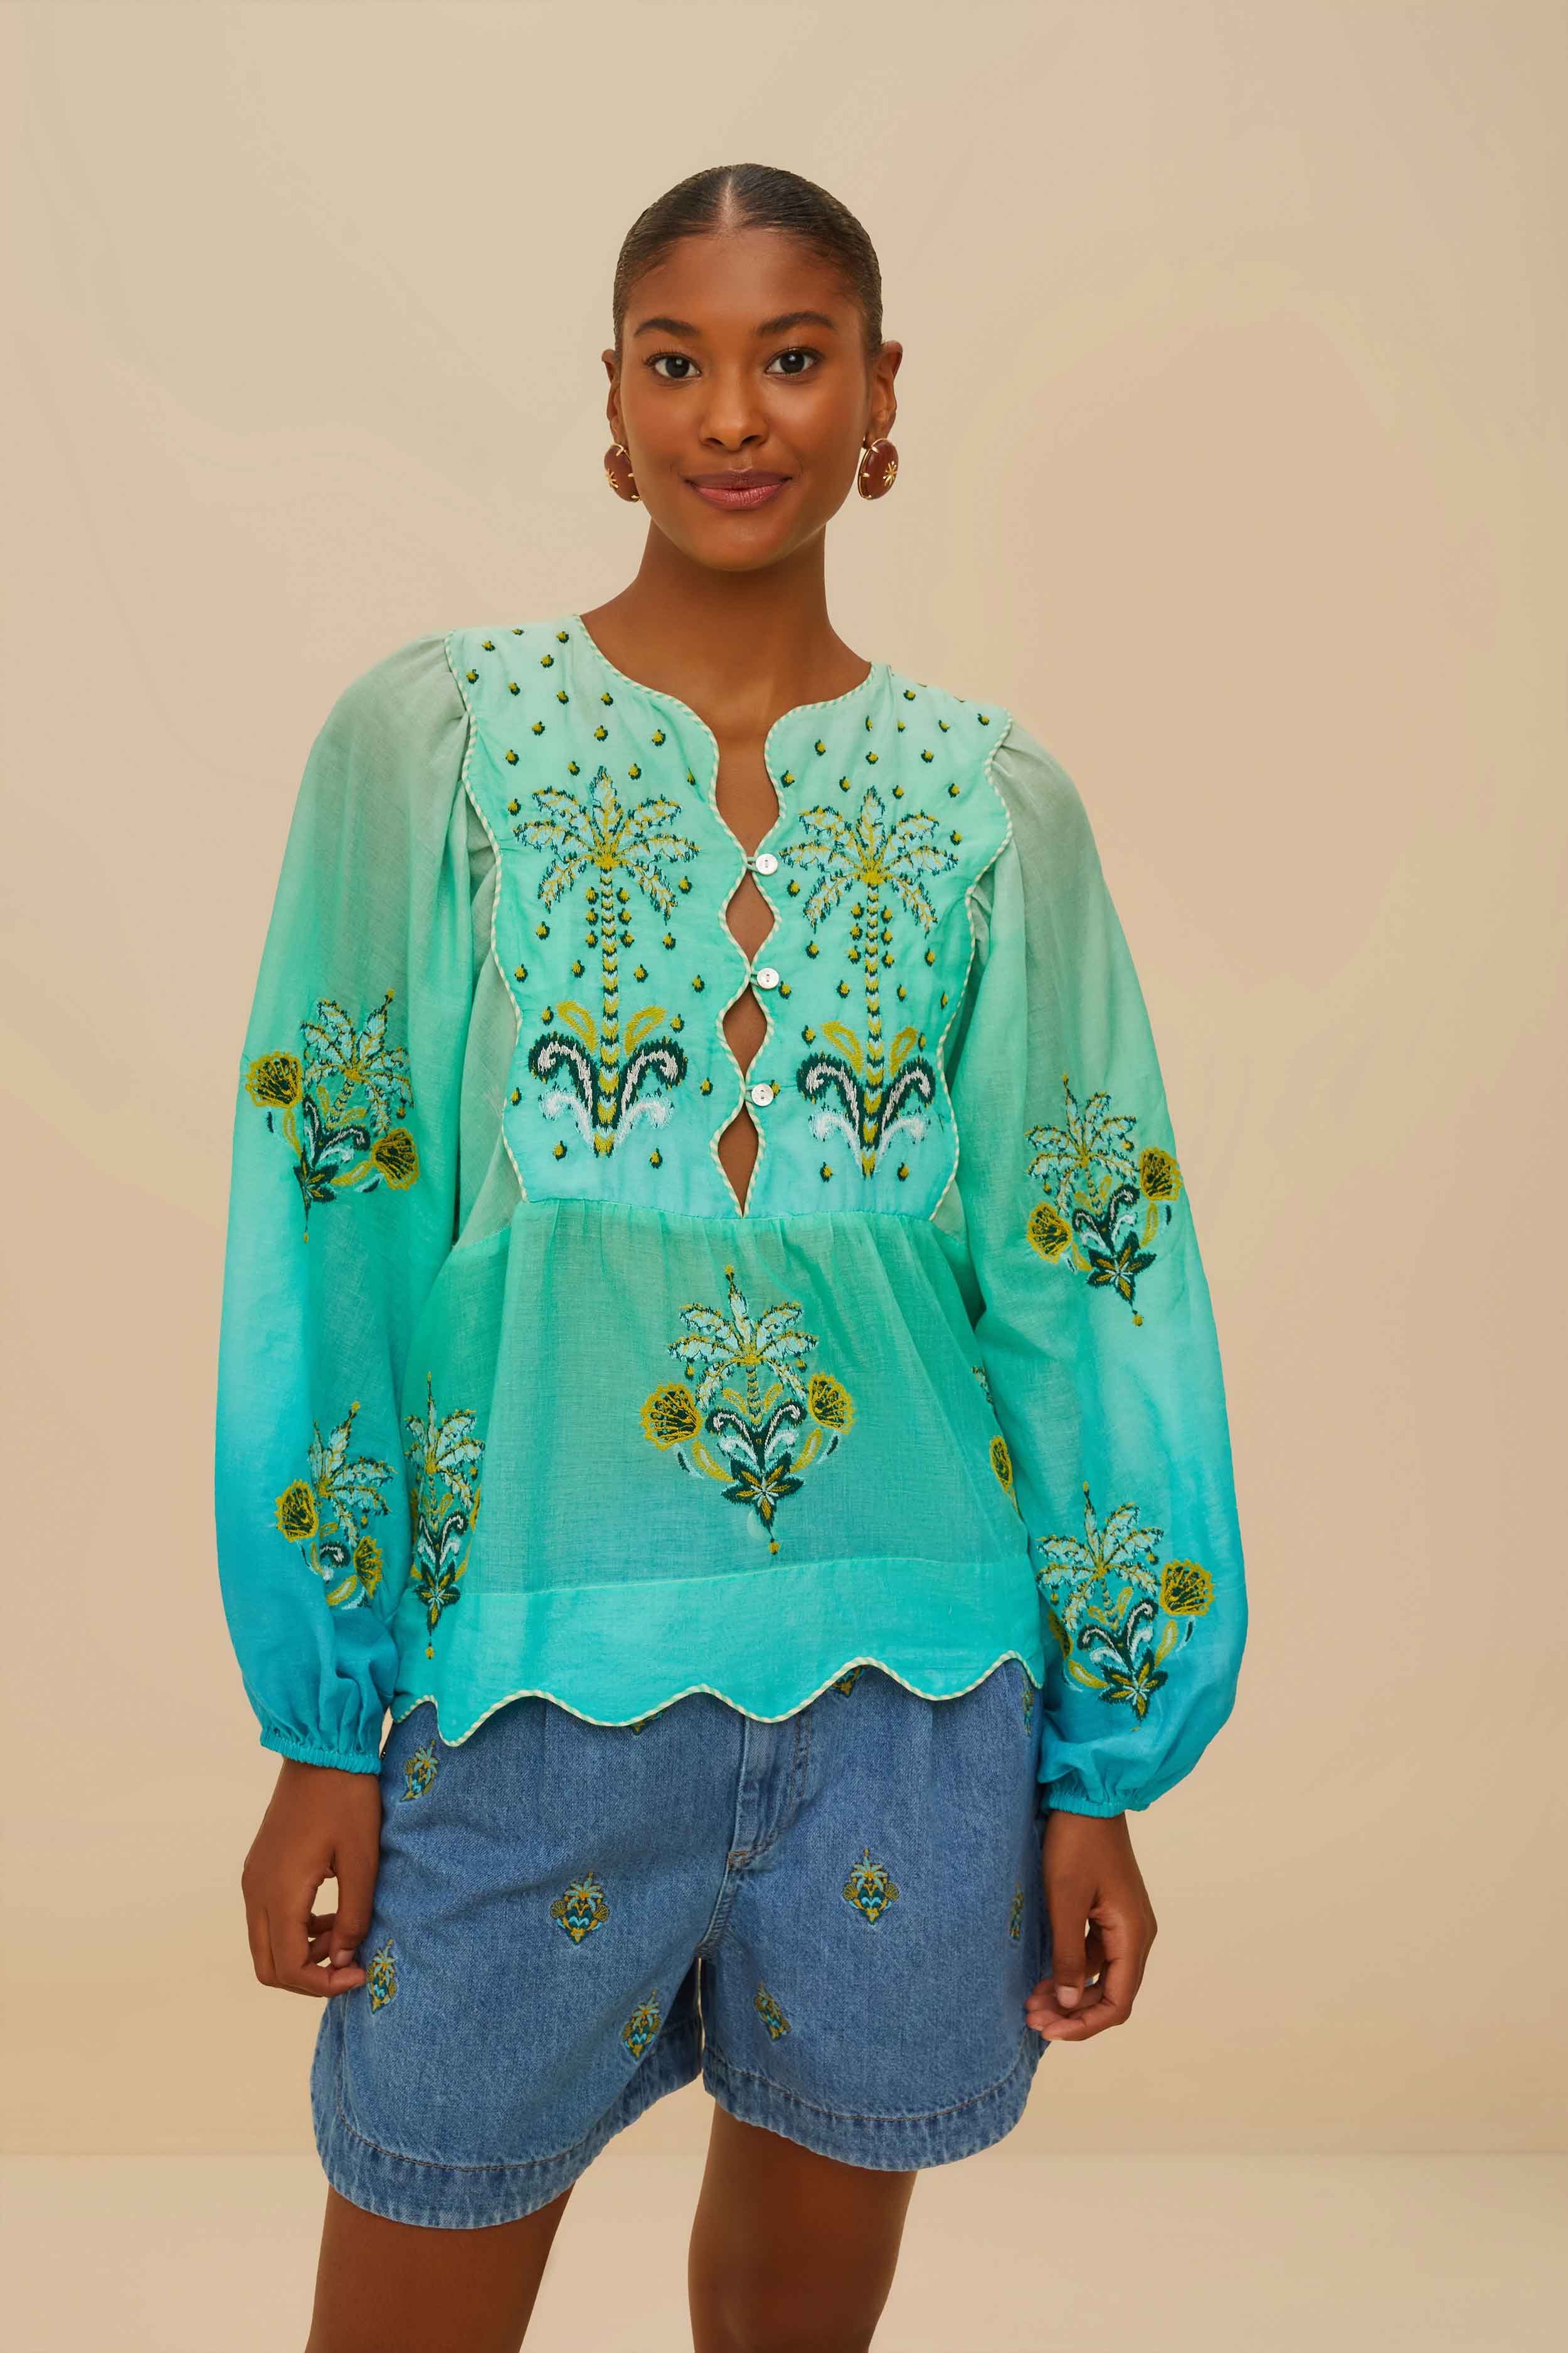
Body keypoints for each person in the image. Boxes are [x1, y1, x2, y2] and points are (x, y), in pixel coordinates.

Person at [215, 162, 1248, 2353]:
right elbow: (334, 1211)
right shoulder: (439, 744)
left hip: (920, 1704)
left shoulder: (992, 803)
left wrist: (1096, 1767)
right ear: (610, 404)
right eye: (676, 362)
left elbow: (1087, 1275)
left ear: (880, 394)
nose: (733, 414)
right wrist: (322, 1721)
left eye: (791, 358)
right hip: (525, 1691)